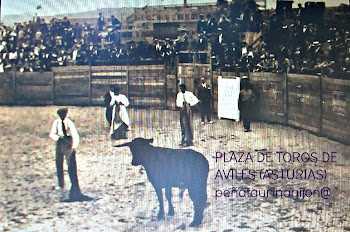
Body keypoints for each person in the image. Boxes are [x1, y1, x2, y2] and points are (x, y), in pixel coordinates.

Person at [50, 108, 92, 202]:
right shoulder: (56, 123)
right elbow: (52, 134)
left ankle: (74, 184)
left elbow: (75, 135)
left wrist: (74, 146)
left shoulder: (69, 123)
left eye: (64, 114)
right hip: (60, 143)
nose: (62, 116)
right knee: (58, 163)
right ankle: (61, 183)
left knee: (71, 164)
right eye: (61, 115)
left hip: (68, 143)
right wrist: (58, 137)